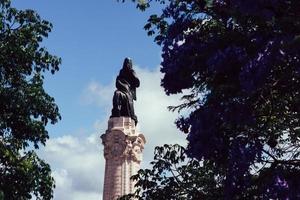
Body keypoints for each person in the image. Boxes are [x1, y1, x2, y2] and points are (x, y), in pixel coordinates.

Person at [111, 58, 140, 125]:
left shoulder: (132, 71)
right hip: (121, 89)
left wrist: (132, 75)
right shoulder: (121, 71)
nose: (127, 64)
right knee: (116, 94)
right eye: (126, 62)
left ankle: (131, 115)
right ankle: (116, 112)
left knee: (127, 99)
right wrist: (120, 83)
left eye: (129, 63)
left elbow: (138, 83)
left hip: (128, 91)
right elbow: (118, 81)